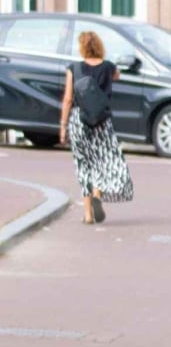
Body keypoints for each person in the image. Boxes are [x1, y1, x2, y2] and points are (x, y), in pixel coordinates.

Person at [59, 31, 134, 225]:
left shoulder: (73, 68)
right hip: (101, 121)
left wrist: (63, 126)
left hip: (79, 120)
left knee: (83, 164)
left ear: (81, 47)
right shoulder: (109, 67)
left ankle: (87, 214)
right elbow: (117, 76)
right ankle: (97, 195)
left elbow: (67, 99)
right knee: (100, 161)